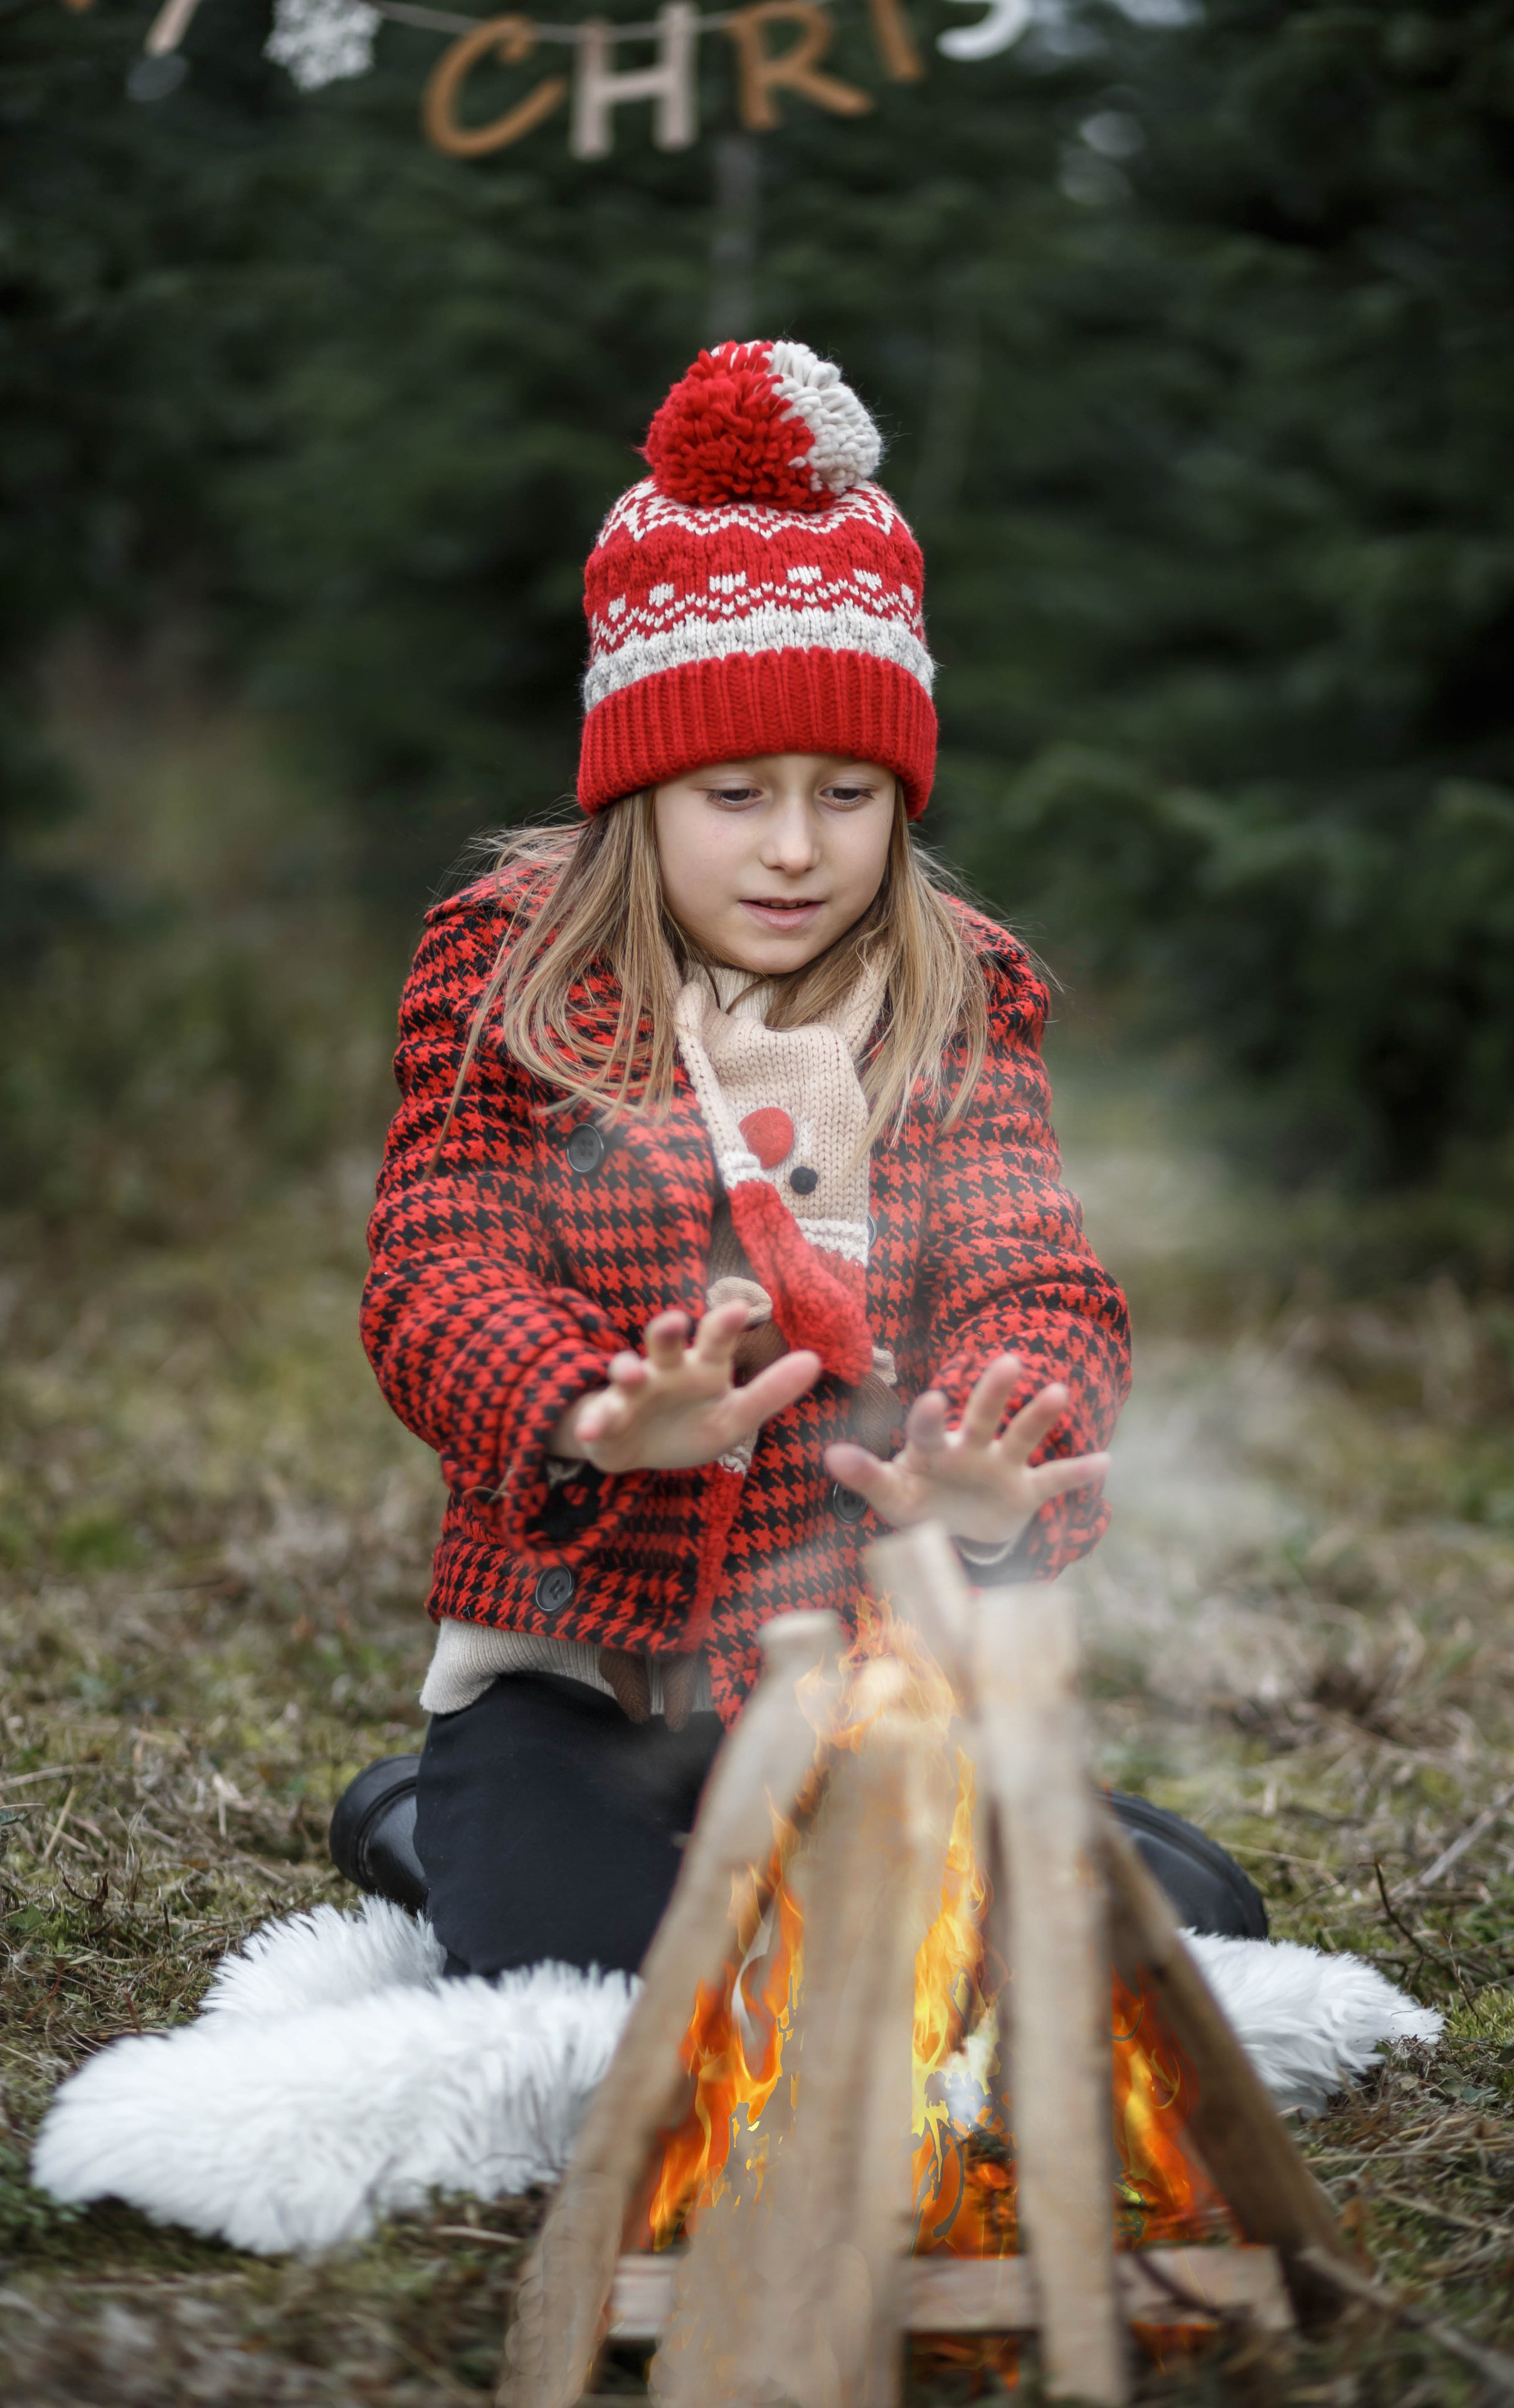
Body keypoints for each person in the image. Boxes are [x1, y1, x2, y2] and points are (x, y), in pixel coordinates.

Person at [333, 339, 1261, 1977]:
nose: (791, 846)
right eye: (734, 790)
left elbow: (1029, 1268)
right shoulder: (511, 967)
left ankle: (1041, 1825)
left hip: (857, 1671)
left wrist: (1002, 1443)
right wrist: (583, 1409)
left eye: (846, 792)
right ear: (639, 786)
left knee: (1137, 1940)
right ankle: (429, 1813)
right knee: (598, 1968)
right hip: (584, 1682)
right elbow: (434, 1257)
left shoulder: (956, 988)